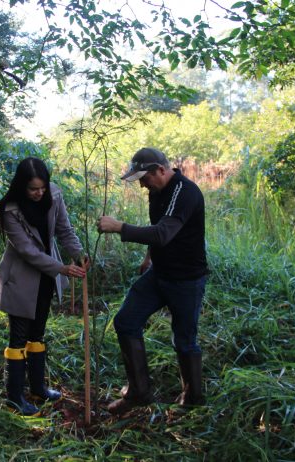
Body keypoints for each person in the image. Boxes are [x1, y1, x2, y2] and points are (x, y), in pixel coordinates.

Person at [97, 147, 208, 415]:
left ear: (160, 170)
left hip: (186, 279)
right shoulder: (156, 192)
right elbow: (158, 227)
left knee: (184, 340)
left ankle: (192, 401)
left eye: (144, 178)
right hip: (159, 274)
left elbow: (162, 233)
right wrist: (149, 257)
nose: (142, 185)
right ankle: (139, 392)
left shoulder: (186, 192)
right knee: (126, 322)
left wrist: (119, 227)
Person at [0, 157, 88, 416]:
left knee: (37, 333)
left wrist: (79, 254)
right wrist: (62, 268)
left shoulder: (54, 195)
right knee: (18, 337)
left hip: (46, 277)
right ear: (21, 186)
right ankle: (15, 398)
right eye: (33, 189)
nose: (39, 193)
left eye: (42, 187)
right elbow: (27, 251)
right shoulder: (10, 209)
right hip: (20, 279)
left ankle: (38, 389)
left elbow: (64, 229)